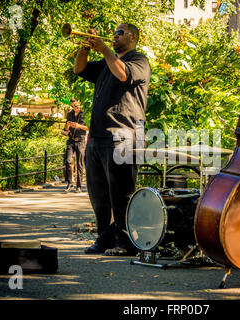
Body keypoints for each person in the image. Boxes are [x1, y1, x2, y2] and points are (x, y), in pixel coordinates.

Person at [74, 23, 151, 256]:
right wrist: (86, 46)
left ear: (133, 38)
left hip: (124, 136)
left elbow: (123, 74)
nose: (115, 36)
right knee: (99, 195)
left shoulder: (139, 61)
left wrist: (105, 48)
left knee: (122, 194)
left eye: (120, 34)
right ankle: (104, 238)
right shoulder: (106, 63)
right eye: (114, 33)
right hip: (98, 137)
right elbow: (79, 69)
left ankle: (127, 242)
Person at [62, 98, 88, 193]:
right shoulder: (69, 114)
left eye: (75, 106)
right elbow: (65, 130)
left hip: (80, 140)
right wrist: (67, 126)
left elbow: (89, 127)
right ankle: (69, 183)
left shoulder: (84, 114)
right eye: (72, 106)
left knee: (79, 164)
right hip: (71, 140)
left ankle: (79, 186)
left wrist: (78, 126)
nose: (74, 108)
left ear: (79, 103)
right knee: (68, 161)